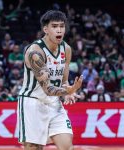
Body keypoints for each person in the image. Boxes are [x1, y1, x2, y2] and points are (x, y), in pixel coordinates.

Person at [17, 10, 83, 150]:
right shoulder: (35, 52)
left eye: (61, 26)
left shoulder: (67, 49)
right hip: (33, 103)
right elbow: (48, 89)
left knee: (67, 146)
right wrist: (68, 90)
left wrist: (68, 91)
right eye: (54, 26)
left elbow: (63, 80)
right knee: (35, 148)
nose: (59, 30)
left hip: (54, 103)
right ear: (45, 29)